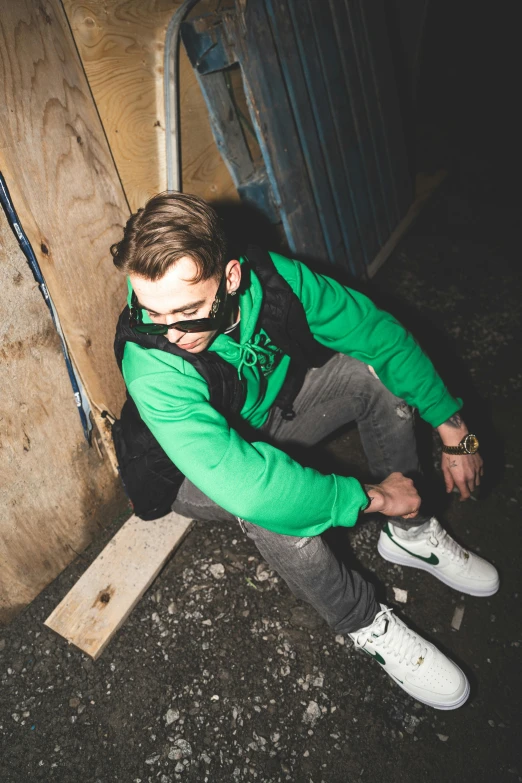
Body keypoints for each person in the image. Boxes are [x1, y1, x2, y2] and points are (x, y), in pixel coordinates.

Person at [110, 192, 499, 711]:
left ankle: (411, 536)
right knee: (274, 513)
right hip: (184, 473)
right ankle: (365, 622)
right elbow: (252, 485)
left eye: (186, 311)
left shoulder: (273, 280)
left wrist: (454, 429)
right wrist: (374, 497)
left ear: (230, 277)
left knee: (372, 374)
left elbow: (376, 334)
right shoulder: (151, 361)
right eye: (150, 311)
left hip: (269, 412)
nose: (170, 333)